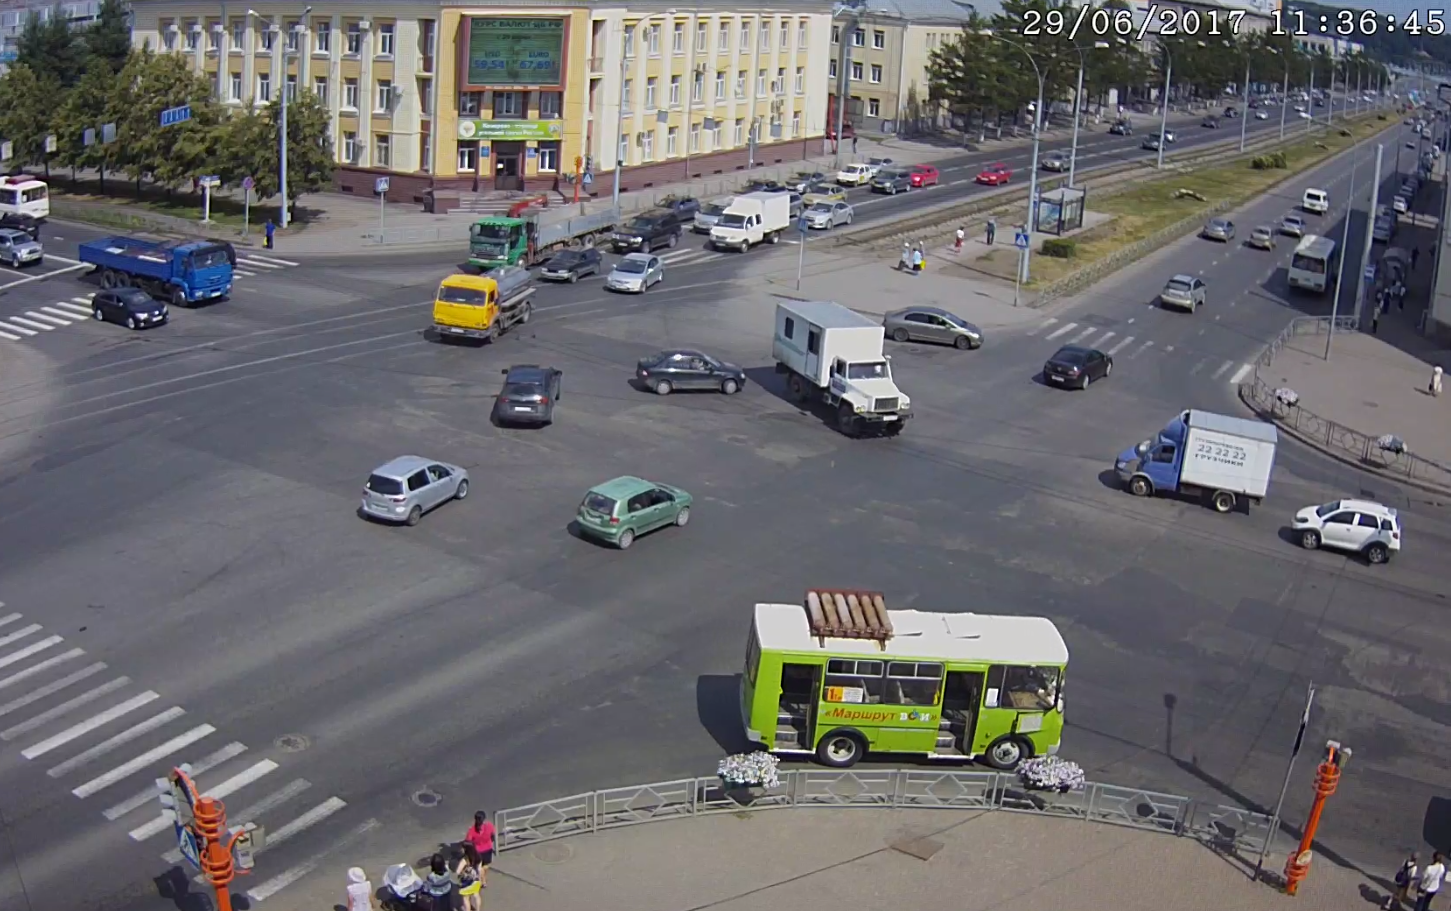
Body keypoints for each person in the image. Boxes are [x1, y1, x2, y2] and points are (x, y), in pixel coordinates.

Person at [462, 810, 496, 888]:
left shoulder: (472, 830)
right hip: (488, 850)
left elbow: (468, 842)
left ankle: (481, 880)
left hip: (477, 852)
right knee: (485, 866)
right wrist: (489, 842)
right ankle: (483, 881)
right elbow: (493, 836)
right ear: (484, 819)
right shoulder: (489, 826)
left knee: (478, 867)